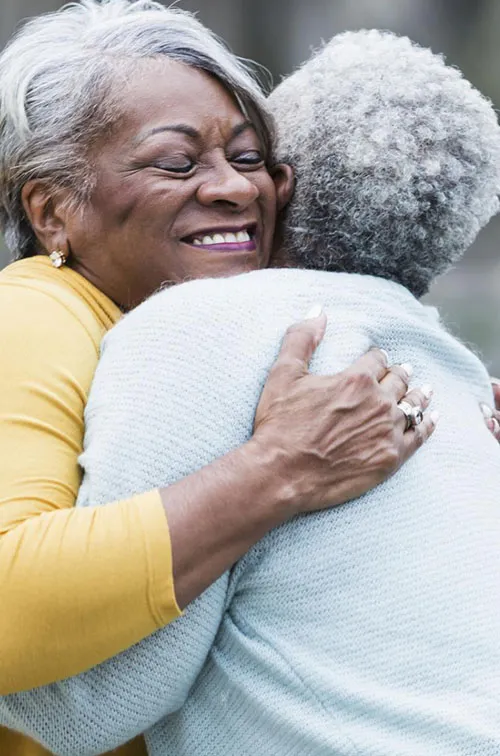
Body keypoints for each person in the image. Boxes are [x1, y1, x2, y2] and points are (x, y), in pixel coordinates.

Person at [3, 29, 500, 756]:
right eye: (177, 162)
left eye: (249, 157)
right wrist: (276, 470)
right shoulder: (33, 310)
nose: (237, 187)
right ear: (52, 211)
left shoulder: (280, 339)